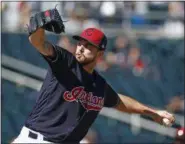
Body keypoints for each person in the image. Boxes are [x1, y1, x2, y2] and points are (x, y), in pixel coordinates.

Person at [12, 8, 175, 144]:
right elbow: (40, 43)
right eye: (80, 43)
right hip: (36, 139)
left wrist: (153, 113)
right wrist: (39, 25)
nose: (81, 48)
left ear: (100, 54)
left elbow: (120, 102)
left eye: (88, 46)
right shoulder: (65, 62)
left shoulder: (99, 86)